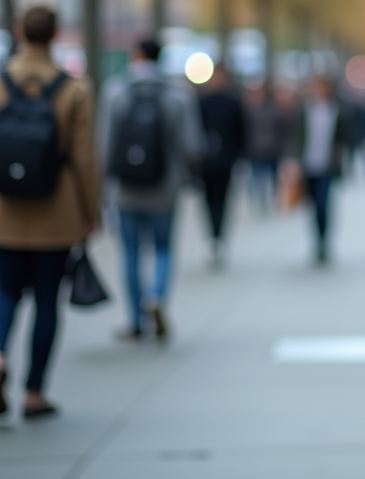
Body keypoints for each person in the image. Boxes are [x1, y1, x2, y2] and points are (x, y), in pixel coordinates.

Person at [0, 4, 101, 420]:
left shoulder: (1, 83)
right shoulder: (74, 89)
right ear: (57, 34)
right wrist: (90, 211)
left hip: (4, 210)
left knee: (4, 291)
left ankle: (0, 356)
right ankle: (35, 393)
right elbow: (84, 158)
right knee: (46, 300)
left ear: (21, 32)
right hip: (56, 210)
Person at [97, 37, 204, 342]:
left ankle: (134, 318)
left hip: (124, 189)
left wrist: (103, 186)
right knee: (162, 249)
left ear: (135, 55)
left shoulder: (115, 92)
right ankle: (156, 297)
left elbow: (103, 146)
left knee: (130, 252)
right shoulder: (178, 94)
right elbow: (192, 145)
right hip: (165, 187)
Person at [287, 74, 351, 264]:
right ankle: (316, 239)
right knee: (313, 205)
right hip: (306, 166)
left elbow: (345, 137)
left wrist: (340, 155)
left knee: (324, 203)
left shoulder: (338, 110)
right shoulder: (302, 110)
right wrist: (292, 160)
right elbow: (294, 137)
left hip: (327, 167)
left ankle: (324, 241)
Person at [197, 64, 245, 268]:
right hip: (207, 162)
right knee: (209, 201)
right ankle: (213, 238)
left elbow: (240, 132)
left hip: (224, 161)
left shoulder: (232, 102)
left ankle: (218, 237)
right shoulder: (203, 102)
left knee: (222, 201)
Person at [243, 83, 288, 213]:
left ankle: (272, 197)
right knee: (258, 175)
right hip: (256, 149)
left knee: (272, 175)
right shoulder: (249, 110)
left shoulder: (274, 110)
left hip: (271, 148)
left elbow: (282, 130)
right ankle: (262, 198)